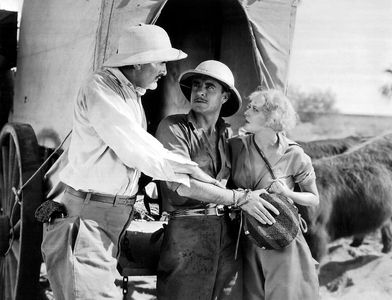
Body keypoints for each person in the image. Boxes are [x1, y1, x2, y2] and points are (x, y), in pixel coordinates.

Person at [41, 24, 214, 300]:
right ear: (137, 63)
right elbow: (139, 149)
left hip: (109, 220)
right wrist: (193, 174)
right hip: (89, 220)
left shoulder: (130, 92)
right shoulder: (101, 89)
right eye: (160, 62)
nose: (165, 71)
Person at [155, 60, 279, 300]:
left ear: (224, 97)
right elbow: (180, 185)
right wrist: (240, 198)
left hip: (228, 237)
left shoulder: (228, 134)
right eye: (196, 86)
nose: (200, 91)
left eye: (210, 86)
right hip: (186, 236)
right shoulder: (173, 128)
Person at [229, 89, 320, 300]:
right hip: (247, 235)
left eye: (255, 109)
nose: (247, 112)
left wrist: (288, 193)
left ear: (273, 117)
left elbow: (313, 198)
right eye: (249, 107)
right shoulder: (235, 146)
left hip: (281, 236)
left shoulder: (295, 154)